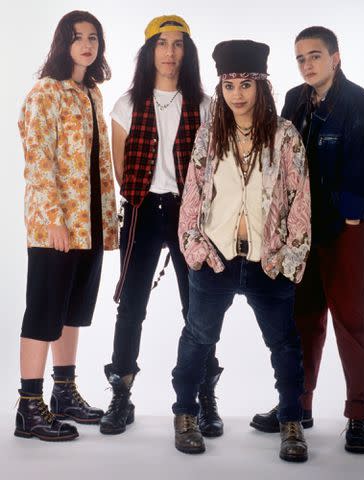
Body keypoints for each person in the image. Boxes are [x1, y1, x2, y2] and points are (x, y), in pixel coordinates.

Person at [250, 26, 364, 454]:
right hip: (303, 230)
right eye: (300, 58)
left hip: (349, 231)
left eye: (315, 56)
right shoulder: (295, 100)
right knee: (302, 319)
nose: (308, 64)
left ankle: (358, 417)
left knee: (351, 320)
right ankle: (297, 407)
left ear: (336, 58)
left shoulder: (361, 104)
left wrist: (353, 213)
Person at [171, 40, 311, 462]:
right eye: (229, 85)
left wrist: (289, 256)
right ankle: (185, 415)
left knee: (284, 344)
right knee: (197, 339)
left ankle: (291, 420)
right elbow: (192, 195)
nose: (237, 94)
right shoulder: (210, 133)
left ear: (261, 86)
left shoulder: (285, 135)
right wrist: (195, 247)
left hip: (268, 261)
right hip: (216, 257)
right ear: (221, 88)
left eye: (245, 84)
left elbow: (299, 198)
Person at [100, 15, 223, 437]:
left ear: (186, 52)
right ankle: (121, 392)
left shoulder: (205, 105)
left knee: (198, 306)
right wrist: (147, 196)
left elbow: (211, 166)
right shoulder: (127, 104)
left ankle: (204, 396)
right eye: (162, 44)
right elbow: (121, 169)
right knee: (131, 304)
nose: (170, 53)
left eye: (178, 44)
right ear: (149, 50)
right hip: (141, 209)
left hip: (190, 213)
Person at [16, 10, 118, 441]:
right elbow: (39, 162)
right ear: (63, 43)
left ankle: (64, 391)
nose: (87, 44)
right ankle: (28, 406)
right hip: (54, 226)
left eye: (93, 37)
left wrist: (108, 218)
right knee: (44, 312)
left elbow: (97, 163)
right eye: (77, 37)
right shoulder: (46, 93)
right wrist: (54, 220)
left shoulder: (92, 92)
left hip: (89, 223)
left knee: (74, 311)